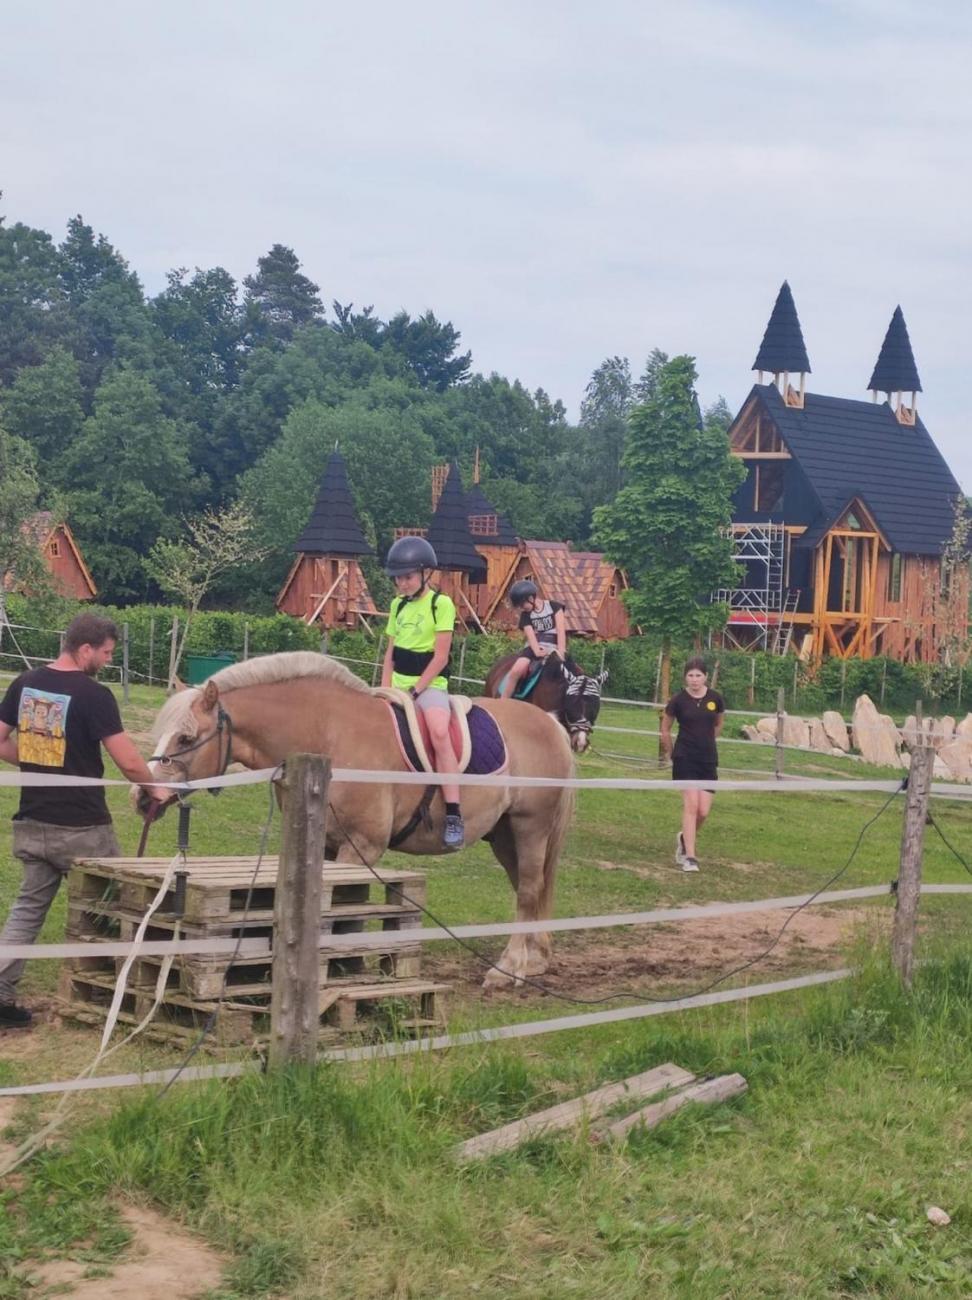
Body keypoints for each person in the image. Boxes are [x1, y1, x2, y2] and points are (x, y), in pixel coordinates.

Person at [0, 613, 169, 1028]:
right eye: (106, 653)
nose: (108, 661)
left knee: (27, 910)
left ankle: (1, 993)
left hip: (32, 822)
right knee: (117, 903)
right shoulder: (95, 695)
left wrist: (38, 762)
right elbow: (129, 762)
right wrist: (156, 789)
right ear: (85, 649)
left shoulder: (25, 683)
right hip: (83, 829)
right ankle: (114, 990)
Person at [381, 536, 464, 849]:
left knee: (439, 732)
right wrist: (384, 689)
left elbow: (440, 657)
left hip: (429, 685)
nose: (402, 583)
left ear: (425, 574)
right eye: (398, 578)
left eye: (408, 577)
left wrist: (415, 691)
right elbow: (390, 654)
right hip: (397, 683)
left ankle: (454, 812)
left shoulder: (441, 604)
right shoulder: (397, 605)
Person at [660, 657, 725, 873]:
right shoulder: (678, 700)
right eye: (690, 675)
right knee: (692, 806)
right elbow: (666, 728)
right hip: (684, 758)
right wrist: (671, 752)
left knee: (703, 811)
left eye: (698, 675)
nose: (694, 679)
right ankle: (690, 857)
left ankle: (684, 838)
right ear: (685, 677)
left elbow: (718, 724)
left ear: (705, 677)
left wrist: (706, 741)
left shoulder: (715, 699)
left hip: (707, 759)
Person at [500, 580, 568, 699]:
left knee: (573, 673)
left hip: (554, 646)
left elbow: (561, 631)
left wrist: (561, 651)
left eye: (522, 604)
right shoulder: (526, 615)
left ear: (531, 598)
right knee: (517, 669)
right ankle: (503, 701)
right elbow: (531, 637)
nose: (521, 608)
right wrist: (538, 651)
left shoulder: (555, 607)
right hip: (535, 647)